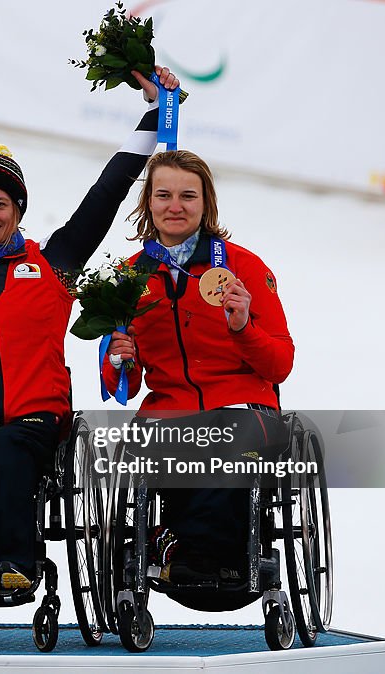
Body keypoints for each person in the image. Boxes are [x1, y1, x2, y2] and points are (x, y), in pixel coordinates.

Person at [0, 68, 181, 591]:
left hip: (36, 410)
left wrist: (157, 114)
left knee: (8, 453)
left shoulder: (53, 263)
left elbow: (107, 191)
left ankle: (17, 562)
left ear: (18, 210)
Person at [103, 149, 294, 585]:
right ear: (148, 202)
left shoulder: (243, 267)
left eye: (188, 196)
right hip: (167, 410)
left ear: (206, 203)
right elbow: (123, 386)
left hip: (241, 405)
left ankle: (185, 549)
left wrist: (243, 328)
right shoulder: (130, 276)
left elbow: (280, 364)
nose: (175, 206)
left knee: (220, 443)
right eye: (164, 195)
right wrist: (120, 359)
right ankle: (196, 553)